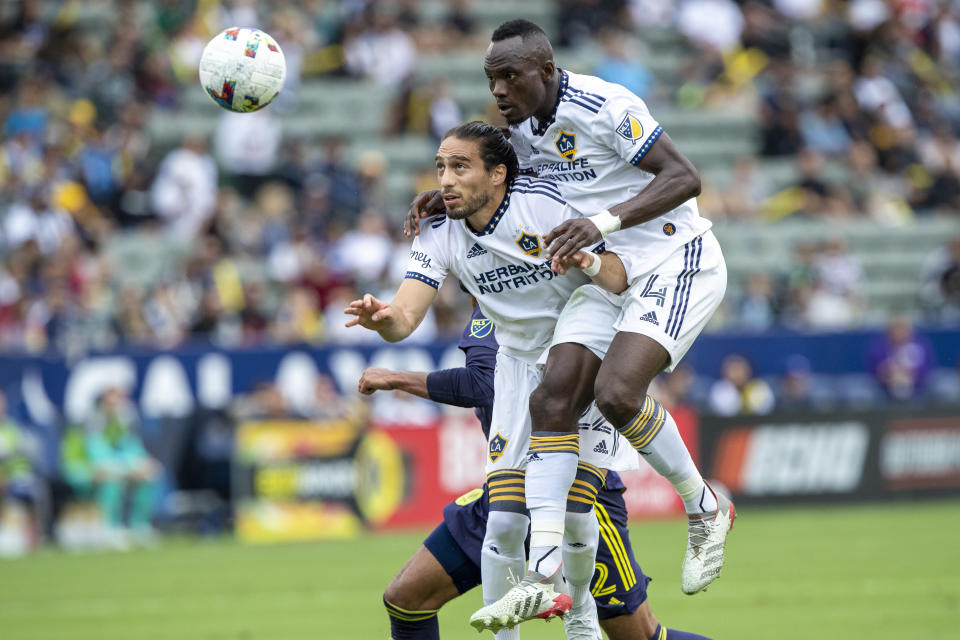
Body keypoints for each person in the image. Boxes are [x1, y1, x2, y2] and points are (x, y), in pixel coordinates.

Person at [407, 21, 734, 628]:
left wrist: (602, 222)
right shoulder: (521, 132)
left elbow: (685, 177)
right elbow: (503, 188)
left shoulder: (604, 105)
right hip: (602, 274)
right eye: (491, 79)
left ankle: (704, 504)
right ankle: (543, 574)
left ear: (546, 71)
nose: (499, 89)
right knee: (551, 399)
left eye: (510, 76)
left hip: (673, 259)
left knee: (614, 394)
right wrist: (444, 198)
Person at [346, 121, 637, 638]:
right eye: (440, 167)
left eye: (460, 166)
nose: (445, 179)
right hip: (518, 378)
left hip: (581, 365)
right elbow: (405, 318)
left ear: (499, 174)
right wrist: (382, 318)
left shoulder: (545, 206)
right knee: (494, 527)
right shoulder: (441, 234)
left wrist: (589, 260)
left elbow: (620, 279)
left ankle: (582, 618)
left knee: (629, 620)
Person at [365, 307, 711, 640]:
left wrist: (396, 378)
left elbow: (483, 385)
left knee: (637, 635)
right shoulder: (491, 295)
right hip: (507, 492)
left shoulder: (513, 297)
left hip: (579, 495)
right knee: (405, 599)